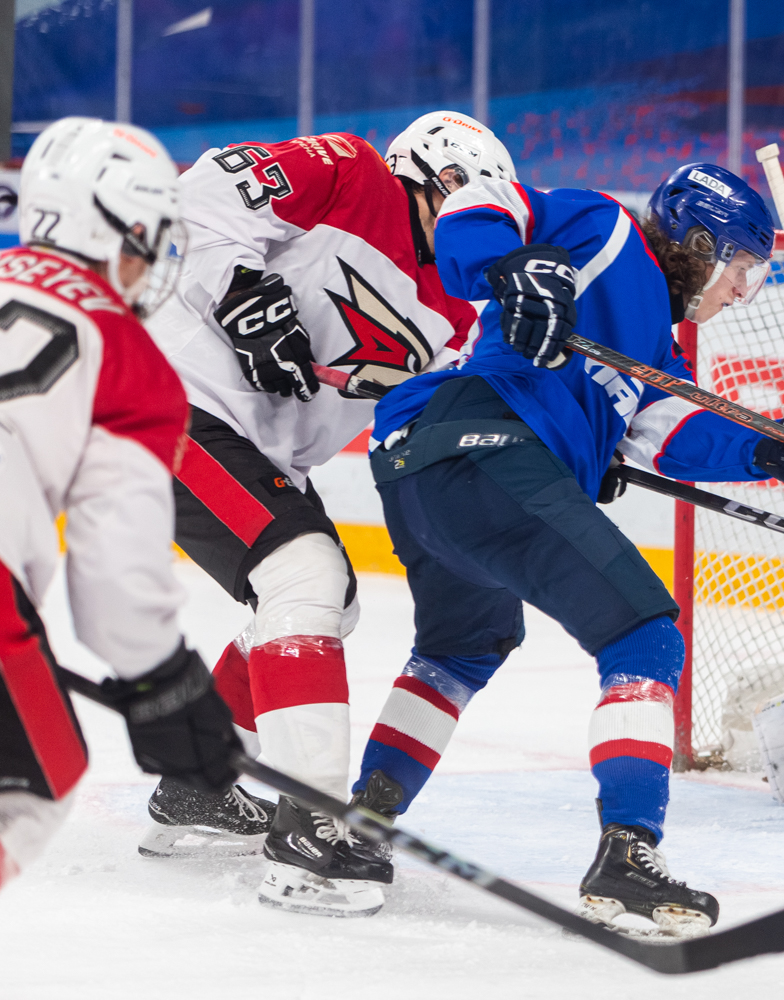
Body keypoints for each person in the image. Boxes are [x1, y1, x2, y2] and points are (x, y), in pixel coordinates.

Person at [350, 150, 784, 935]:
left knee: (461, 650)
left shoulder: (654, 348)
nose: (740, 291)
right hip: (479, 443)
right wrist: (512, 269)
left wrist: (780, 451)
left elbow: (671, 436)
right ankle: (628, 853)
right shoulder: (607, 228)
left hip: (425, 474)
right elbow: (484, 199)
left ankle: (358, 826)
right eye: (740, 269)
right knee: (645, 636)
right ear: (700, 244)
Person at [138, 111, 489, 917]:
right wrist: (242, 291)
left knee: (332, 602)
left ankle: (198, 783)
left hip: (254, 445)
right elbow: (202, 195)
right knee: (305, 577)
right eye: (459, 192)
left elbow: (456, 407)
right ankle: (310, 829)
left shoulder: (461, 308)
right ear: (424, 174)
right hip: (174, 395)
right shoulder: (352, 171)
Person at [0, 117, 241, 889]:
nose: (149, 263)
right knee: (39, 779)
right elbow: (114, 576)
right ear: (114, 227)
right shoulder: (125, 352)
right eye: (149, 240)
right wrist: (163, 682)